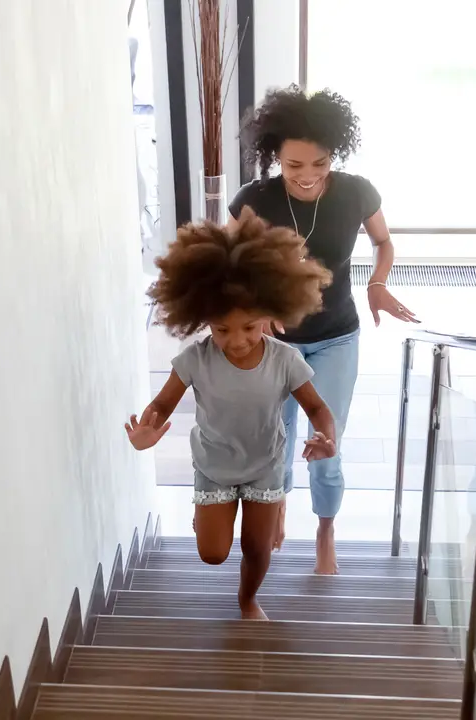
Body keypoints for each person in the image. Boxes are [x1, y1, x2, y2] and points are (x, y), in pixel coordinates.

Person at [231, 85, 419, 574]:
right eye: (294, 166)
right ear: (275, 158)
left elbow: (383, 242)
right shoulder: (255, 199)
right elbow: (227, 263)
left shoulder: (356, 192)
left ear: (334, 153)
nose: (308, 175)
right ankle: (280, 505)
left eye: (320, 163)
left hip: (337, 335)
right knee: (277, 437)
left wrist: (378, 282)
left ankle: (326, 527)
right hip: (273, 343)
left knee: (325, 439)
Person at [125, 208, 339, 620]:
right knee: (212, 554)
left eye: (249, 327)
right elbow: (163, 404)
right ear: (202, 319)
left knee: (257, 549)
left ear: (269, 315)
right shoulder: (195, 359)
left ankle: (247, 600)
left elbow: (316, 407)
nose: (236, 341)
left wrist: (326, 436)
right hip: (214, 465)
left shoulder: (285, 360)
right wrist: (147, 429)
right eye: (222, 330)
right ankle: (209, 515)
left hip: (265, 465)